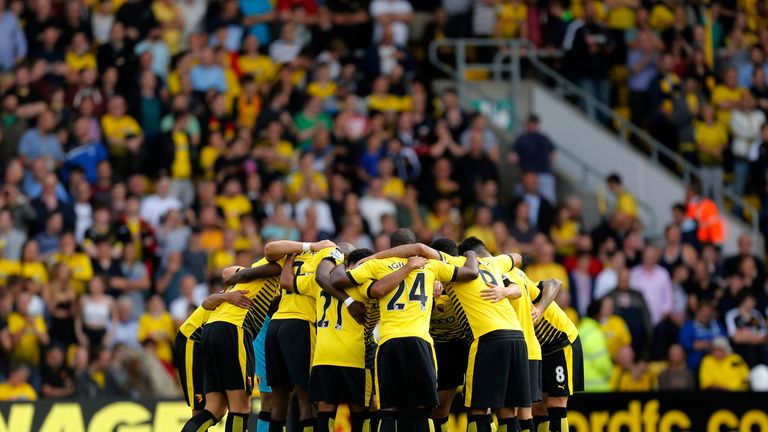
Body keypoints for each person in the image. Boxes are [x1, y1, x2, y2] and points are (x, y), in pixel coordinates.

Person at [331, 230, 478, 431]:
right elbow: (471, 272)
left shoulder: (375, 265)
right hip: (420, 342)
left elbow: (338, 281)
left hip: (388, 342)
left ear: (392, 247)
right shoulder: (430, 265)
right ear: (412, 245)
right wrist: (470, 253)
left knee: (388, 411)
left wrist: (348, 259)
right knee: (423, 410)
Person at [179, 244, 292, 432]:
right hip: (229, 331)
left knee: (214, 409)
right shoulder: (273, 269)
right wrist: (306, 247)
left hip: (210, 331)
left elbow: (215, 291)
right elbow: (268, 256)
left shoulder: (251, 281)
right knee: (240, 407)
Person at [281, 246, 375, 432]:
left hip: (323, 357)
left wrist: (289, 258)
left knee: (325, 414)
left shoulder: (318, 284)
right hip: (354, 357)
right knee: (360, 413)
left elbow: (286, 281)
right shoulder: (363, 283)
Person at [174, 284, 257, 415]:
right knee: (199, 407)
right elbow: (227, 273)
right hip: (191, 340)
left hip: (209, 341)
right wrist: (227, 296)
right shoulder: (245, 284)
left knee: (217, 409)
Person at [679, 301, 726, 372]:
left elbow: (724, 340)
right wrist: (697, 345)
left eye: (708, 312)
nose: (706, 314)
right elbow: (686, 343)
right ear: (697, 312)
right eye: (703, 312)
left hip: (717, 358)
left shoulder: (717, 325)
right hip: (696, 360)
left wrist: (705, 344)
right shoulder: (689, 326)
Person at [724, 291, 768, 367]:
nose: (753, 302)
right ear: (743, 300)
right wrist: (754, 337)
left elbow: (764, 335)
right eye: (750, 299)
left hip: (758, 346)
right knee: (750, 350)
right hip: (739, 348)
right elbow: (735, 337)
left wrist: (746, 336)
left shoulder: (757, 314)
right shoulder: (732, 314)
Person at [578, 301, 613, 392]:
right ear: (598, 313)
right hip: (596, 389)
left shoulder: (579, 329)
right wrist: (609, 373)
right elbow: (602, 362)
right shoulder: (594, 333)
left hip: (580, 387)